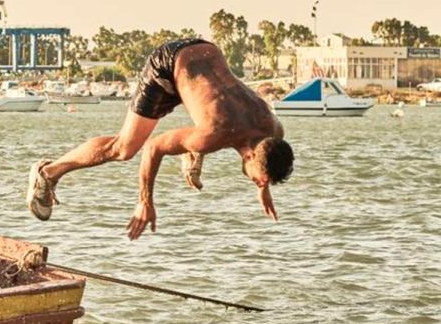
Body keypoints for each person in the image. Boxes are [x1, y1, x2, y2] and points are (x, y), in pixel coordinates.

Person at [26, 39, 293, 240]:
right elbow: (153, 147)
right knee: (124, 148)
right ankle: (47, 172)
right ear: (251, 155)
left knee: (212, 132)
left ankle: (188, 147)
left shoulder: (273, 129)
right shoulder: (214, 134)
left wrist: (263, 186)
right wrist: (145, 201)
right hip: (167, 66)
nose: (260, 183)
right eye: (260, 180)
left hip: (204, 53)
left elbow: (256, 150)